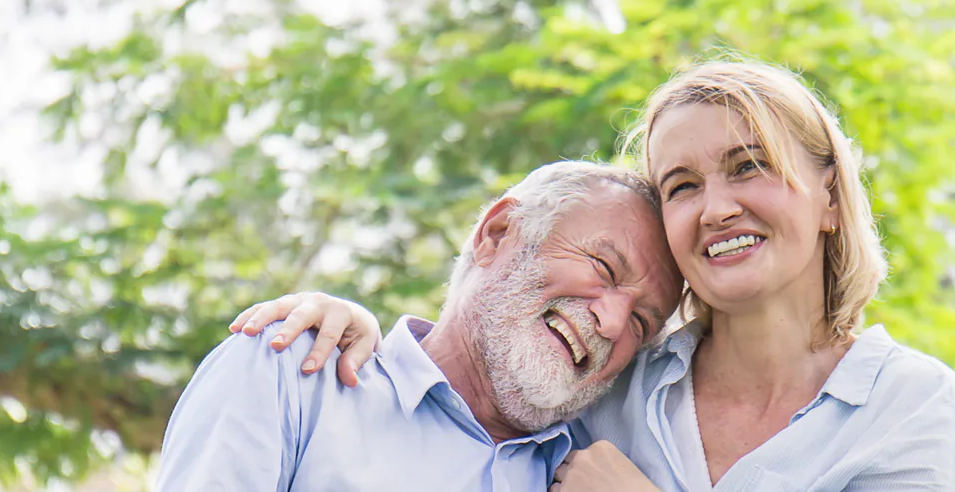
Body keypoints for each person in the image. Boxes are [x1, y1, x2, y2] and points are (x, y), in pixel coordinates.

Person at [230, 60, 955, 491]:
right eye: (683, 185)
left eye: (749, 167)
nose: (717, 207)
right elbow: (474, 377)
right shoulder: (614, 384)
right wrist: (353, 323)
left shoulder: (909, 407)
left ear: (828, 196)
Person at [156, 161, 684, 491]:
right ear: (497, 233)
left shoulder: (604, 472)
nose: (613, 322)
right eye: (604, 268)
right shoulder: (290, 370)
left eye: (642, 322)